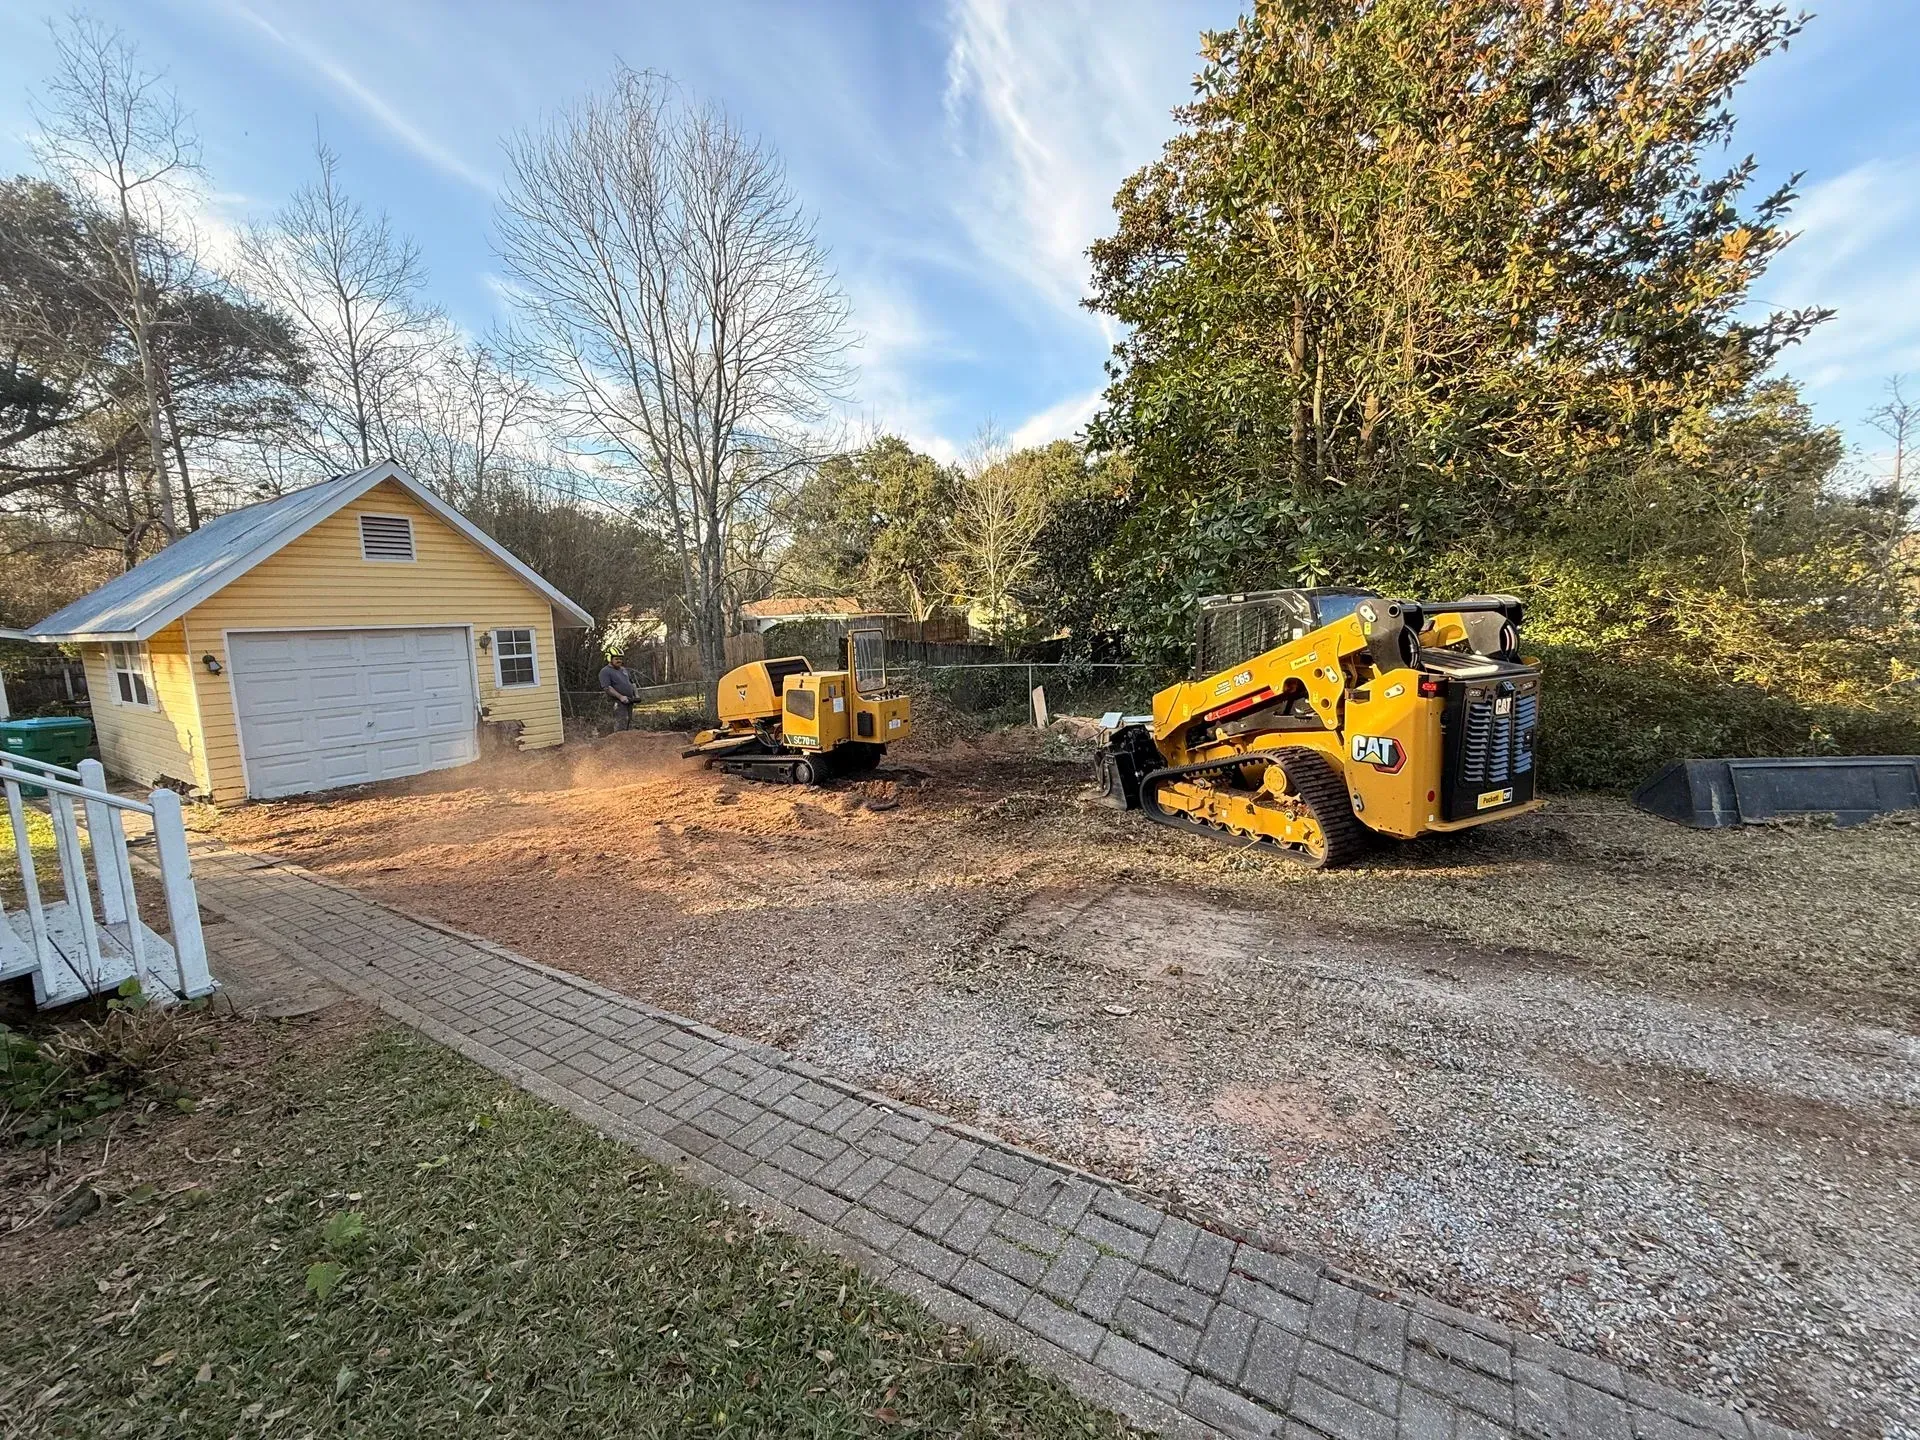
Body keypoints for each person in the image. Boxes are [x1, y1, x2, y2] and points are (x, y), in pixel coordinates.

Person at [599, 655, 637, 731]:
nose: (619, 661)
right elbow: (607, 688)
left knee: (629, 723)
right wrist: (620, 697)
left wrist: (636, 695)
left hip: (629, 701)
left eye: (620, 659)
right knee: (620, 724)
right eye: (616, 659)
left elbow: (632, 683)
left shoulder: (624, 670)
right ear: (610, 659)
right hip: (617, 702)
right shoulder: (605, 671)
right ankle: (617, 741)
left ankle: (627, 741)